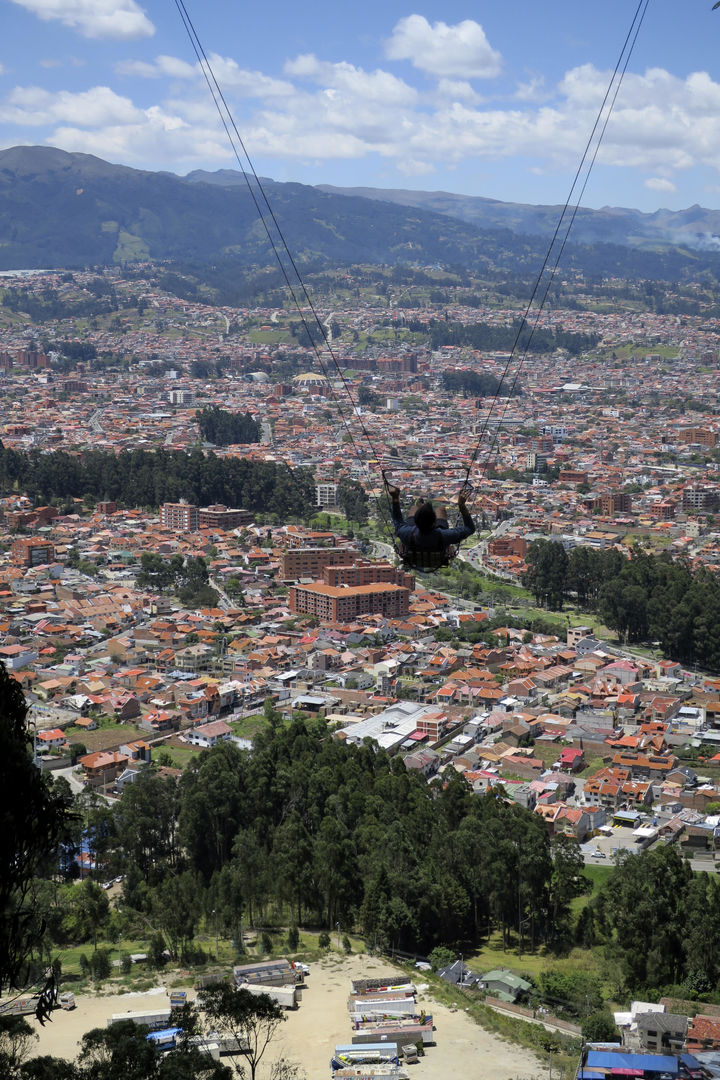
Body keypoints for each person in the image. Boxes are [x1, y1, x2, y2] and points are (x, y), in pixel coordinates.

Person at [388, 485, 475, 563]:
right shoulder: (446, 535)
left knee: (413, 508)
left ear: (416, 522)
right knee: (440, 509)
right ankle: (424, 509)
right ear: (435, 522)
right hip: (438, 541)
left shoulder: (406, 533)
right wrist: (462, 505)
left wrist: (395, 498)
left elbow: (397, 521)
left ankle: (419, 506)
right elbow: (470, 528)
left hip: (414, 541)